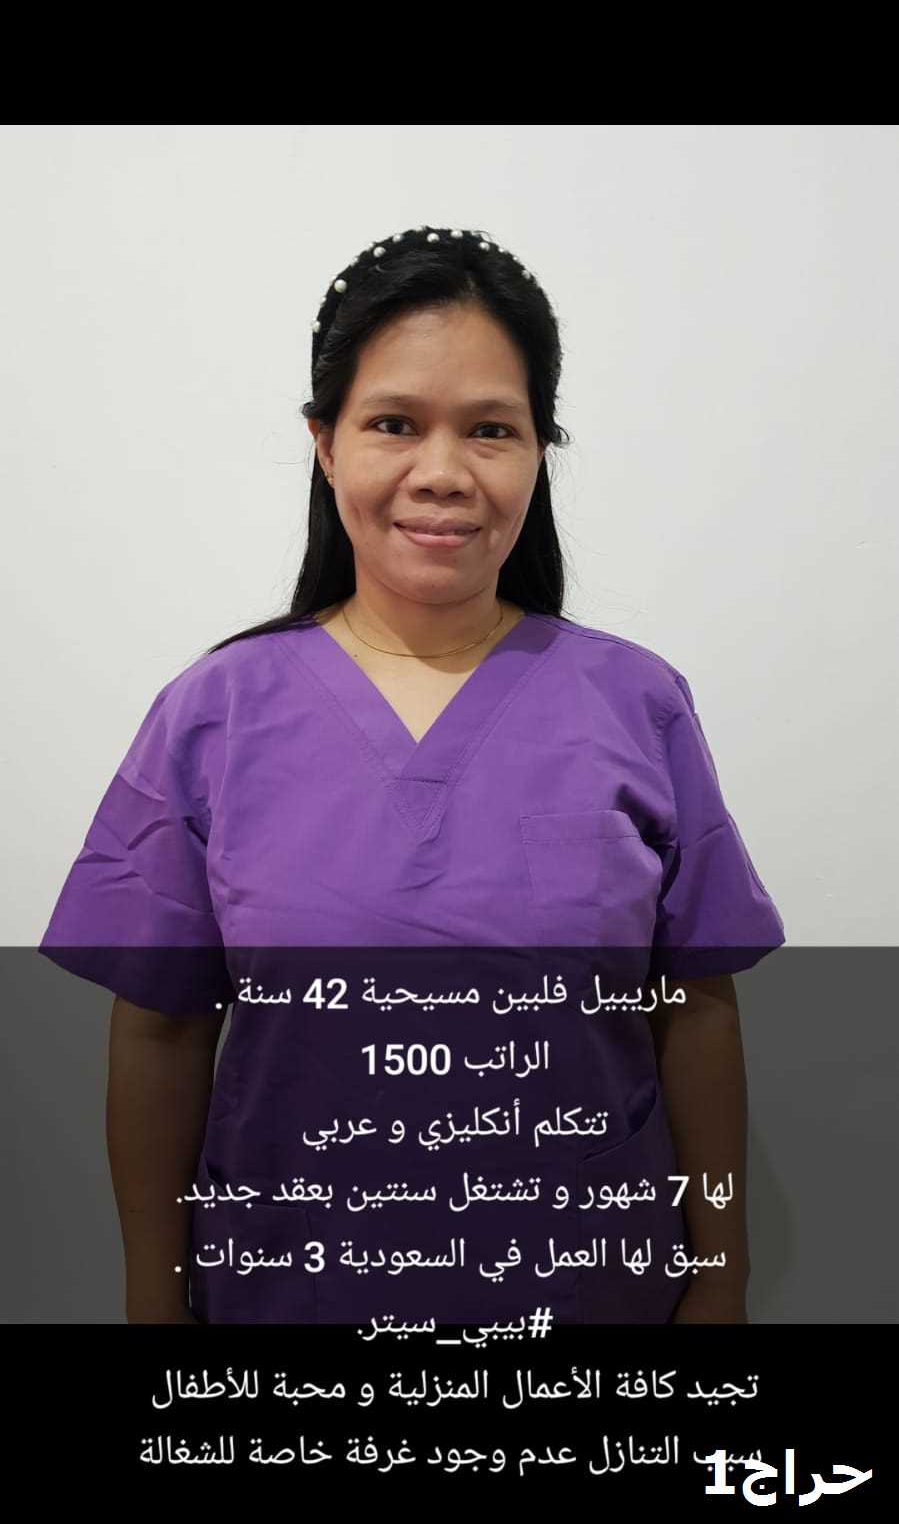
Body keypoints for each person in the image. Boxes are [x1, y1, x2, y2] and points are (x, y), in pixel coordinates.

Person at [38, 224, 785, 1327]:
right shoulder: (214, 714)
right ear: (324, 444)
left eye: (491, 429)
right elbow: (160, 1028)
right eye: (393, 423)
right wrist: (152, 1298)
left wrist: (718, 1281)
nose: (441, 472)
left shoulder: (636, 703)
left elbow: (694, 1010)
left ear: (538, 452)